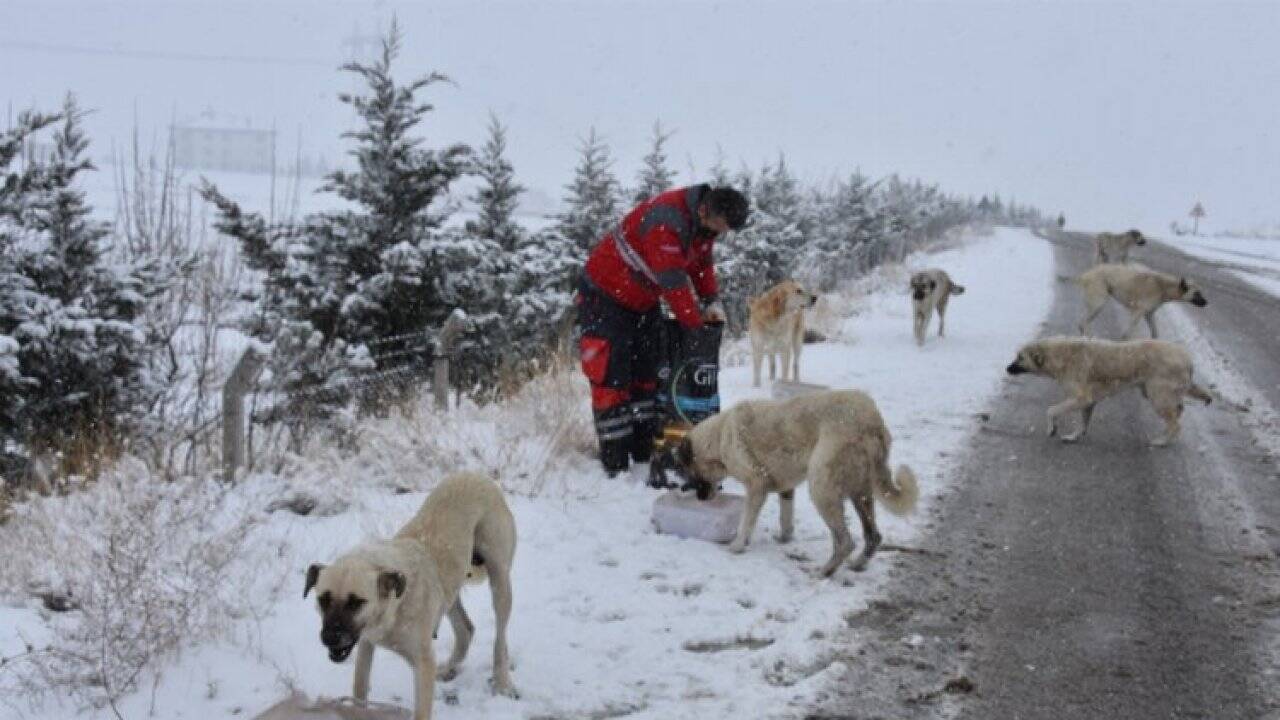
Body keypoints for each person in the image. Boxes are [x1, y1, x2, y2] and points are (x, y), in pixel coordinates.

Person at [576, 184, 750, 477]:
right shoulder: (666, 221)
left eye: (725, 231)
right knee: (611, 376)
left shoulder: (704, 226)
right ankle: (616, 463)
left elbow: (701, 265)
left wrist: (711, 300)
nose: (720, 234)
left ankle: (643, 450)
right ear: (707, 210)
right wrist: (695, 328)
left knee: (649, 372)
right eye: (720, 227)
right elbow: (673, 281)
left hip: (642, 299)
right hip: (605, 296)